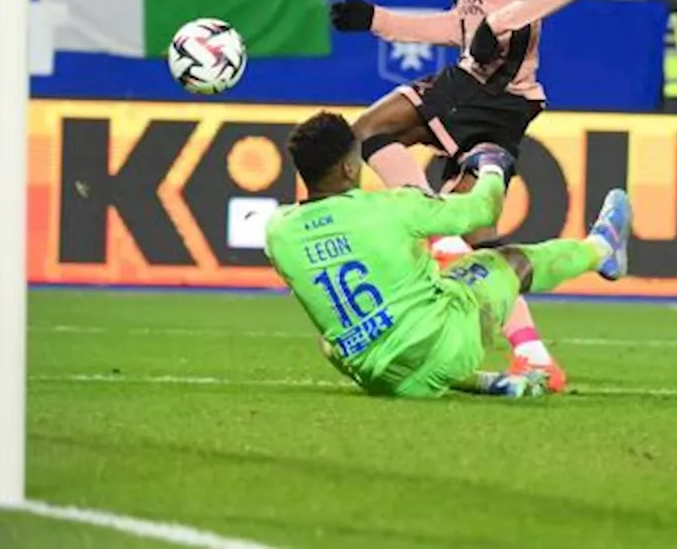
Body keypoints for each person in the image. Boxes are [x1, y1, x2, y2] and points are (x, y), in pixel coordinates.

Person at [328, 0, 585, 391]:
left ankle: (422, 228)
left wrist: (501, 23)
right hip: (484, 90)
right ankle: (536, 356)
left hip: (491, 91)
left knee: (368, 132)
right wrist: (377, 20)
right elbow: (461, 28)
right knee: (474, 244)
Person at [265, 113, 632, 399]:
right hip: (444, 347)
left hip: (378, 378)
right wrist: (491, 165)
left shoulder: (278, 231)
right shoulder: (391, 207)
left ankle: (491, 384)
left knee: (335, 339)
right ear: (348, 167)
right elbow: (481, 210)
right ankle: (600, 250)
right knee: (504, 263)